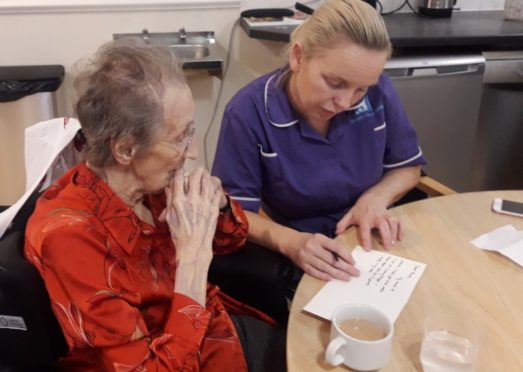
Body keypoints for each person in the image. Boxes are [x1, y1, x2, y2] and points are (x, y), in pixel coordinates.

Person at [24, 38, 285, 371]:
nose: (192, 152)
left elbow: (230, 240)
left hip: (217, 328)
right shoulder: (71, 237)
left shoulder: (152, 184)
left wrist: (215, 206)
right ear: (126, 150)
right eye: (180, 138)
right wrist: (192, 261)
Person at [212, 0, 426, 288]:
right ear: (298, 57)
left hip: (372, 240)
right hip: (309, 250)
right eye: (335, 83)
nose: (345, 102)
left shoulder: (378, 92)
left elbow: (408, 168)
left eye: (361, 89)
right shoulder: (248, 113)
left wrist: (375, 199)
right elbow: (233, 212)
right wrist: (291, 242)